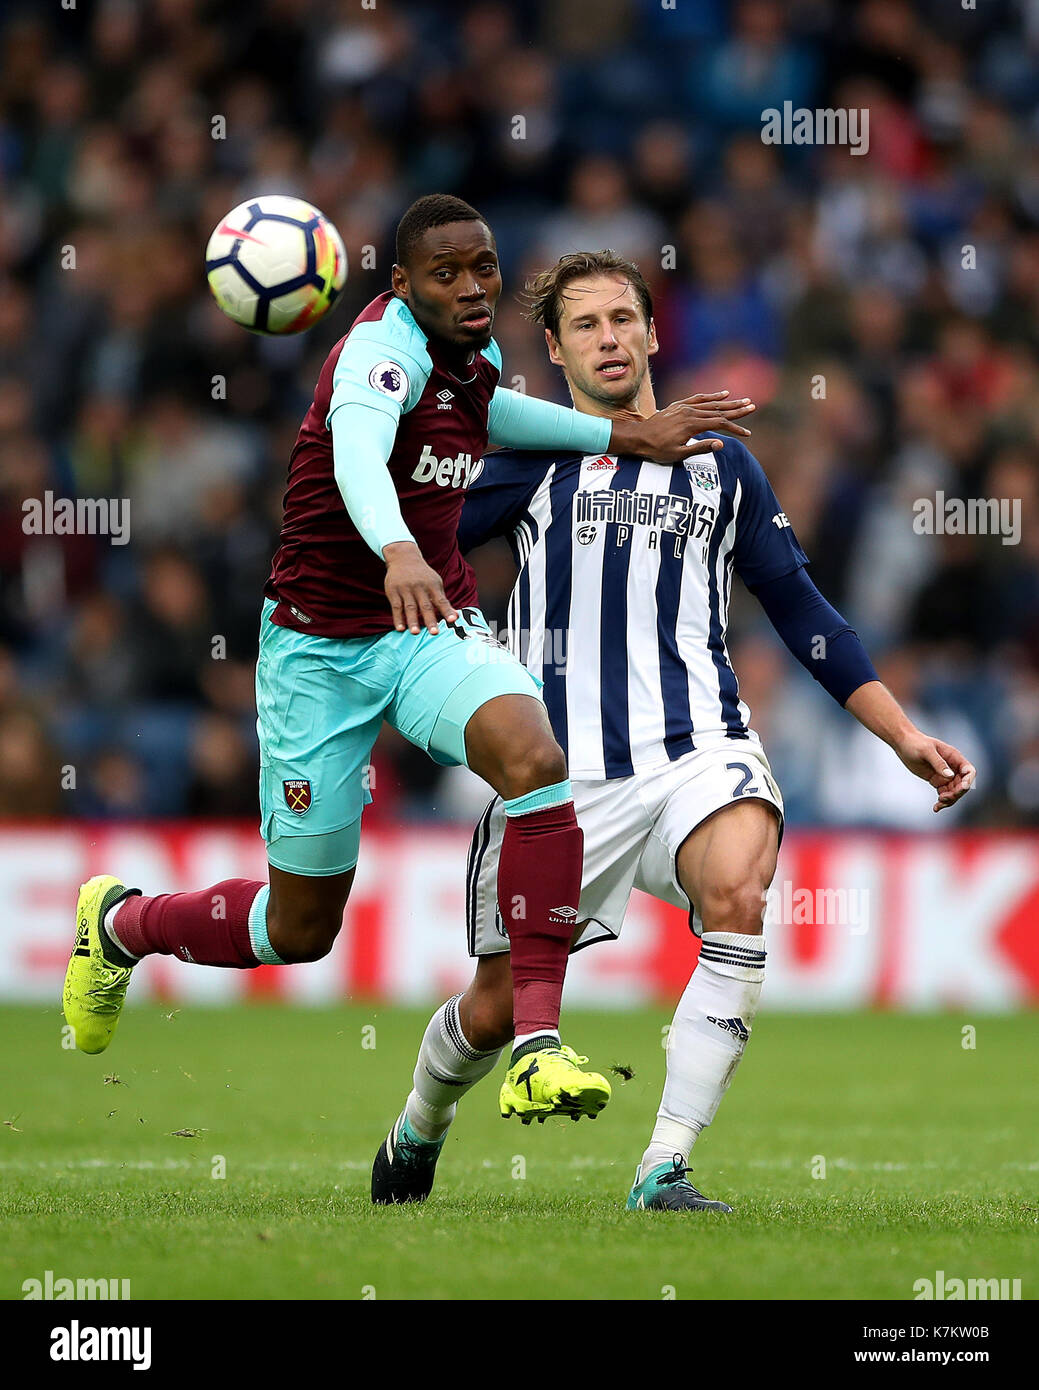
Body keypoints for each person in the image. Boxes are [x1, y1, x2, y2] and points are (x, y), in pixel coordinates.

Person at [62, 197, 753, 1126]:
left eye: (484, 268)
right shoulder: (375, 355)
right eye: (446, 274)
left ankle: (538, 1046)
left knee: (533, 761)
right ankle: (120, 926)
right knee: (297, 928)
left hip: (428, 623)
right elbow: (357, 456)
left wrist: (622, 433)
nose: (472, 289)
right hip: (319, 649)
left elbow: (490, 414)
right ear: (401, 284)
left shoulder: (475, 356)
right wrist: (395, 549)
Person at [372, 250, 976, 1208]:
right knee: (490, 1013)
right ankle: (419, 1121)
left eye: (623, 319)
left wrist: (899, 736)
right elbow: (404, 539)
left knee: (738, 890)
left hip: (701, 748)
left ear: (654, 334)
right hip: (558, 782)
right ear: (557, 353)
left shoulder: (722, 462)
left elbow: (802, 611)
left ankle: (664, 1164)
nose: (609, 338)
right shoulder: (529, 462)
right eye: (586, 325)